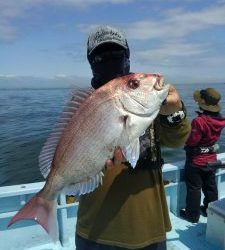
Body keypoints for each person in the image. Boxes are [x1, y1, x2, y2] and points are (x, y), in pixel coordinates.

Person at [75, 25, 191, 250]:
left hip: (148, 225)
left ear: (127, 56)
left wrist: (174, 112)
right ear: (91, 63)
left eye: (116, 54)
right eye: (101, 56)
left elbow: (178, 141)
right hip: (94, 228)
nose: (110, 60)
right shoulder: (83, 108)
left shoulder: (144, 96)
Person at [180, 88, 225, 223]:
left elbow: (192, 141)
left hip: (196, 161)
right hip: (211, 160)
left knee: (194, 188)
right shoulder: (220, 120)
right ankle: (210, 211)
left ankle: (192, 216)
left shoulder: (199, 121)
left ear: (203, 103)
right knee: (210, 187)